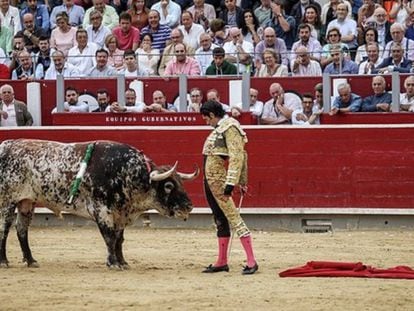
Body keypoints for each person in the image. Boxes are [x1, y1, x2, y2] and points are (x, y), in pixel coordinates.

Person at [200, 100, 258, 275]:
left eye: (206, 118)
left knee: (234, 219)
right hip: (210, 182)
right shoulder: (219, 129)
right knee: (220, 220)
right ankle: (222, 261)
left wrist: (232, 183)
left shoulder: (230, 127)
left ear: (212, 115)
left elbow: (238, 156)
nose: (206, 122)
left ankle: (251, 261)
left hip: (220, 182)